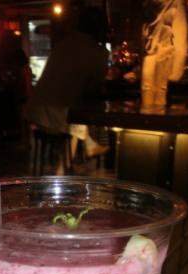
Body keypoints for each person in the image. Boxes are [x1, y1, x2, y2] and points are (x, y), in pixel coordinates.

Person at [24, 6, 109, 159]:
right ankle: (70, 161)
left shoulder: (62, 45)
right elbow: (93, 88)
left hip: (35, 111)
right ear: (101, 30)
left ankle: (85, 148)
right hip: (58, 115)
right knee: (76, 115)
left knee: (73, 114)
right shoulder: (99, 52)